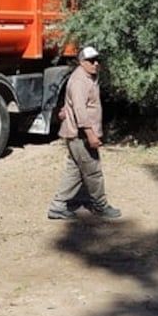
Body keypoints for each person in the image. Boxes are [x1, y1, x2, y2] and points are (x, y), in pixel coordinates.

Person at [46, 46, 122, 220]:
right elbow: (81, 111)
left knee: (74, 170)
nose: (96, 64)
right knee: (93, 171)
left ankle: (57, 207)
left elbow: (72, 104)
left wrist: (65, 110)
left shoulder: (90, 77)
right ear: (81, 62)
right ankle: (100, 206)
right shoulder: (80, 80)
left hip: (76, 135)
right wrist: (91, 135)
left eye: (98, 60)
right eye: (91, 61)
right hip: (80, 136)